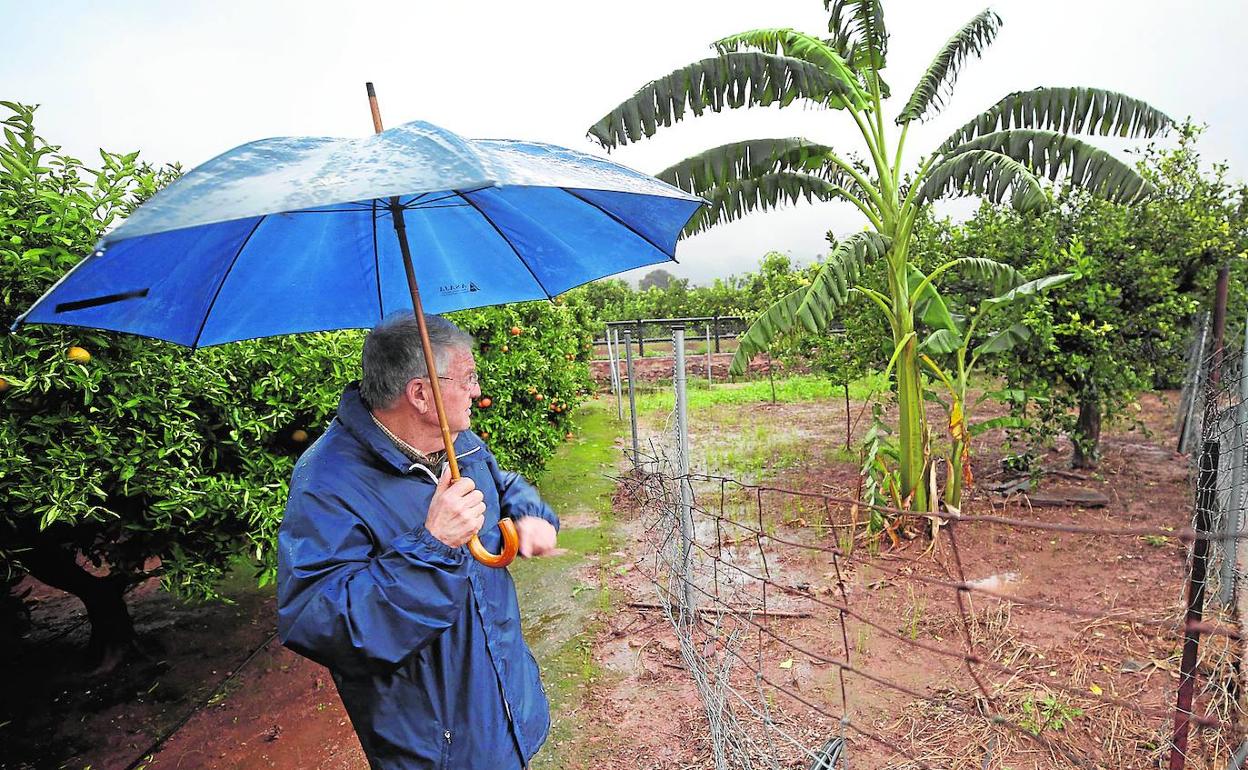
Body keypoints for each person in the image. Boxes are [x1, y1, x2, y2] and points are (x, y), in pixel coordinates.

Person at [277, 312, 559, 769]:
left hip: (504, 702)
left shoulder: (458, 442)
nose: (477, 391)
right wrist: (432, 544)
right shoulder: (326, 482)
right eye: (467, 378)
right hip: (436, 745)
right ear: (421, 394)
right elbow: (321, 622)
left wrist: (530, 514)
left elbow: (501, 484)